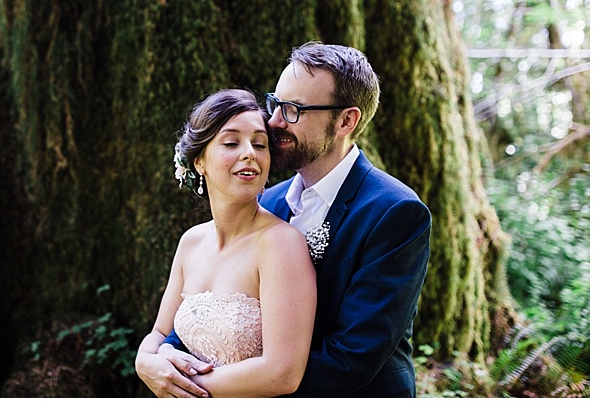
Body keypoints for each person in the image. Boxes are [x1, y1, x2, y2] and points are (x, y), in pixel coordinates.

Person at [144, 42, 432, 397]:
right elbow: (203, 310)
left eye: (294, 109)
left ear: (346, 121)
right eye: (276, 104)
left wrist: (206, 390)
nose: (275, 121)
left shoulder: (394, 212)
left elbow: (352, 358)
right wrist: (152, 359)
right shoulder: (268, 202)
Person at [134, 88, 317, 397]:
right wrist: (144, 362)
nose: (249, 153)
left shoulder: (280, 244)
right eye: (232, 142)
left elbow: (282, 373)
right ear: (199, 162)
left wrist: (182, 388)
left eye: (259, 144)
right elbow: (161, 332)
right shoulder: (191, 242)